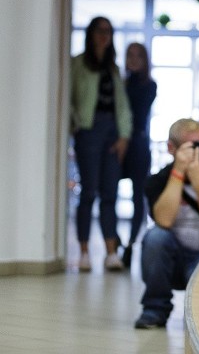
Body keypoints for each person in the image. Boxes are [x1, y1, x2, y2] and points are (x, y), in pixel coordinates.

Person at [134, 118, 199, 329]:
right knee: (155, 237)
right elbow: (164, 220)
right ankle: (155, 310)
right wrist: (178, 173)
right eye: (193, 147)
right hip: (173, 259)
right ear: (172, 148)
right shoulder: (158, 180)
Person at [70, 16, 132, 272]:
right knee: (88, 192)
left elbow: (122, 106)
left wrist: (123, 136)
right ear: (91, 34)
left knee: (110, 194)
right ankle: (84, 252)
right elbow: (70, 99)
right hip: (88, 131)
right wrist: (76, 126)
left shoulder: (113, 68)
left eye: (108, 31)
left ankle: (110, 252)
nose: (104, 35)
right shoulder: (77, 64)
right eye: (100, 31)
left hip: (112, 134)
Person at [121, 42, 157, 268]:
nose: (133, 60)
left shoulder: (149, 86)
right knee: (108, 194)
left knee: (138, 198)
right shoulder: (120, 84)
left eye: (138, 56)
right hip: (118, 145)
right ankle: (113, 242)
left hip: (139, 145)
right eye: (129, 55)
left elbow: (137, 111)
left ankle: (130, 243)